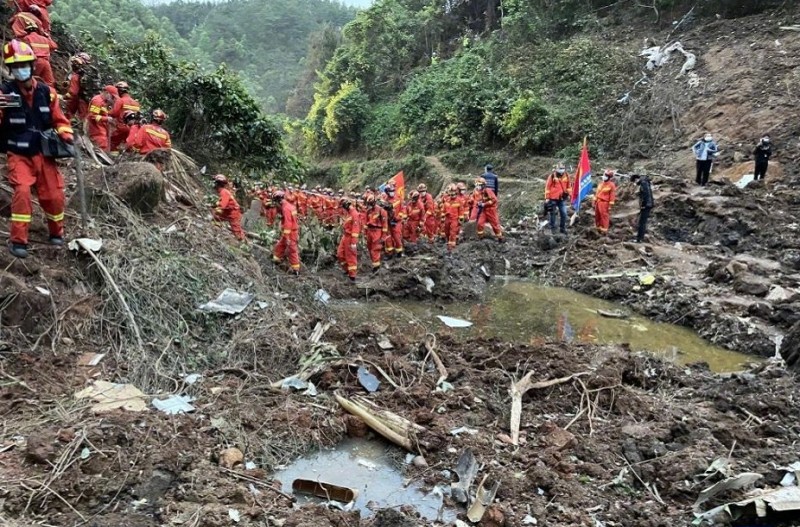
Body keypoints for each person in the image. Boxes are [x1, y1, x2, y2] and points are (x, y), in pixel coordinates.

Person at [0, 40, 74, 258]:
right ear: (11, 70)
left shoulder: (47, 92)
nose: (20, 69)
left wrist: (66, 134)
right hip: (19, 154)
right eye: (16, 66)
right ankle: (18, 241)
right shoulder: (4, 94)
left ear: (32, 65)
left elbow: (60, 120)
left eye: (24, 65)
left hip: (44, 153)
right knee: (22, 192)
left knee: (54, 196)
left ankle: (56, 232)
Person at [271, 190, 301, 274]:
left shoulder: (286, 209)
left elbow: (288, 224)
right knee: (280, 245)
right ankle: (276, 260)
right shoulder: (289, 206)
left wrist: (287, 237)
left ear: (278, 201)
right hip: (290, 232)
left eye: (275, 202)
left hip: (291, 233)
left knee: (292, 250)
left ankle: (296, 270)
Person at [108, 81, 141, 151]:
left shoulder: (120, 100)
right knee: (128, 146)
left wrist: (107, 111)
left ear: (119, 91)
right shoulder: (136, 103)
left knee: (112, 143)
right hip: (132, 129)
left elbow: (114, 113)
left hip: (121, 127)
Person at [212, 174, 246, 241]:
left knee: (236, 229)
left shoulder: (224, 192)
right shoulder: (223, 192)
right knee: (216, 217)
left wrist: (217, 209)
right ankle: (215, 231)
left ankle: (243, 242)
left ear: (218, 184)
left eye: (215, 183)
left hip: (233, 212)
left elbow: (222, 206)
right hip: (228, 210)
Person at [470, 177, 503, 242]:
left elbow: (494, 200)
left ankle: (500, 238)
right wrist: (479, 203)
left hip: (491, 210)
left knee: (495, 225)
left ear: (483, 185)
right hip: (484, 210)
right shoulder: (479, 192)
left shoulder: (488, 190)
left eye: (479, 185)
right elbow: (478, 200)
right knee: (480, 223)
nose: (478, 187)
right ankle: (480, 237)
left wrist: (485, 204)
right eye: (477, 185)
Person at [337, 198, 361, 281]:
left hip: (350, 237)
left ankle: (352, 275)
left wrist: (353, 242)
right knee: (340, 253)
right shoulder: (349, 213)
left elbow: (356, 228)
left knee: (350, 256)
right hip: (345, 236)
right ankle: (347, 269)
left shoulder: (355, 214)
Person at [87, 86, 117, 152]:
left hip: (102, 131)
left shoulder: (104, 102)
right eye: (112, 97)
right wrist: (106, 119)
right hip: (97, 131)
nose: (112, 99)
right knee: (100, 150)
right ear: (106, 93)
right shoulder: (97, 101)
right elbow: (92, 116)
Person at [545, 163, 570, 234]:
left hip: (562, 198)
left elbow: (569, 186)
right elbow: (547, 187)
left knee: (564, 213)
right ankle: (552, 228)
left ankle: (562, 228)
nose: (562, 170)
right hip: (553, 198)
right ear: (556, 169)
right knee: (552, 213)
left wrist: (568, 194)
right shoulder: (552, 176)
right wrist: (547, 198)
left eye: (563, 168)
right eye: (560, 168)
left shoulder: (566, 175)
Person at [364, 195, 388, 272]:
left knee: (375, 249)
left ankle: (376, 267)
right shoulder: (368, 211)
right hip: (369, 231)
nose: (369, 205)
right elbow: (365, 223)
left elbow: (385, 225)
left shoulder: (381, 211)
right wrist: (365, 234)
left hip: (377, 231)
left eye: (370, 203)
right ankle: (374, 263)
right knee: (370, 248)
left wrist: (383, 237)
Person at [65, 53, 91, 121]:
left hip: (80, 98)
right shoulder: (87, 74)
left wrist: (63, 97)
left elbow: (73, 92)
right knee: (84, 117)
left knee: (73, 113)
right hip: (86, 98)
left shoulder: (76, 76)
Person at [382, 183, 405, 258]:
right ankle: (390, 253)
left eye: (393, 190)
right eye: (390, 191)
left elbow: (403, 209)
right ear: (387, 192)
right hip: (388, 222)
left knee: (397, 237)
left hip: (397, 222)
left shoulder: (398, 198)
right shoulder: (385, 200)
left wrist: (398, 217)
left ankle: (399, 252)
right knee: (388, 237)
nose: (392, 192)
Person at [630, 174, 654, 243]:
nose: (635, 184)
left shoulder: (643, 183)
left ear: (636, 179)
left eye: (634, 182)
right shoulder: (645, 182)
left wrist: (644, 204)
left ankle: (639, 239)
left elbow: (646, 194)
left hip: (647, 205)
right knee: (642, 222)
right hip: (648, 204)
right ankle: (640, 237)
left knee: (642, 222)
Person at [593, 169, 617, 235]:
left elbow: (612, 196)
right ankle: (598, 228)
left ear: (609, 177)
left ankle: (604, 230)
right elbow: (597, 193)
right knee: (597, 215)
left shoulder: (611, 185)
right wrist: (594, 201)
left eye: (606, 175)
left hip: (604, 203)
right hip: (598, 202)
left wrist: (610, 206)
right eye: (604, 175)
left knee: (604, 216)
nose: (604, 176)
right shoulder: (600, 184)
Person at [441, 184, 463, 251]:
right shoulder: (447, 200)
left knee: (452, 232)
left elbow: (461, 210)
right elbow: (443, 209)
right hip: (447, 218)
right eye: (450, 192)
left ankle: (452, 246)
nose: (452, 194)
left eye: (453, 192)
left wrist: (460, 219)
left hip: (454, 219)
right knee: (446, 231)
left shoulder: (459, 200)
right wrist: (442, 217)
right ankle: (448, 242)